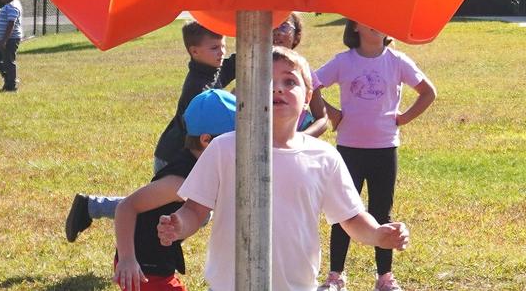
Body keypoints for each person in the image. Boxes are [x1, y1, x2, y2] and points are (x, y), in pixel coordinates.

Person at [157, 47, 410, 291]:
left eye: (290, 82)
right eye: (266, 80)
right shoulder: (224, 148)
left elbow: (351, 218)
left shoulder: (323, 157)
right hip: (230, 285)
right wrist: (179, 224)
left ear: (308, 97)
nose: (278, 87)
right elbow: (195, 209)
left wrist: (377, 234)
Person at [67, 20, 231, 241]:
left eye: (223, 46)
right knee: (160, 210)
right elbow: (202, 125)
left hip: (186, 155)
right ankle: (91, 207)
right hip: (175, 157)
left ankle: (92, 206)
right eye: (214, 48)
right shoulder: (198, 87)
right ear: (194, 51)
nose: (221, 52)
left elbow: (233, 65)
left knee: (193, 212)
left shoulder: (211, 71)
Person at [313, 20, 436, 291]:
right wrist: (332, 114)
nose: (375, 25)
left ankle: (385, 278)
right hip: (349, 148)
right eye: (367, 19)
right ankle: (336, 276)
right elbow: (311, 84)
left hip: (384, 148)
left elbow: (428, 92)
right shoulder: (344, 62)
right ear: (354, 26)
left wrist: (403, 118)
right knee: (343, 213)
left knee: (382, 213)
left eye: (381, 19)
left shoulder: (398, 61)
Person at [113, 89, 237, 291]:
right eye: (233, 139)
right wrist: (127, 259)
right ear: (206, 141)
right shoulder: (179, 182)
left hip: (159, 261)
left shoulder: (204, 164)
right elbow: (126, 207)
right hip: (143, 269)